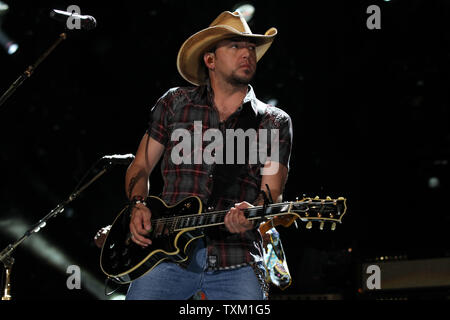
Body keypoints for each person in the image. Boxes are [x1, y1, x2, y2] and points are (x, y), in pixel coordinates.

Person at [123, 11, 292, 300]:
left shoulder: (274, 121)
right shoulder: (174, 103)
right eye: (235, 46)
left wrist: (250, 215)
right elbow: (140, 166)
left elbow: (271, 193)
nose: (247, 54)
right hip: (165, 257)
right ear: (210, 60)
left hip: (237, 259)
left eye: (251, 48)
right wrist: (138, 204)